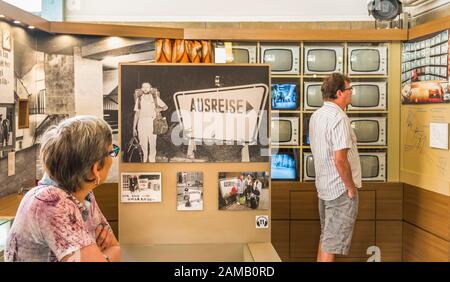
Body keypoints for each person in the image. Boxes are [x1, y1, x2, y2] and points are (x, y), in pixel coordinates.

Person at [4, 116, 121, 262]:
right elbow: (112, 252)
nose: (113, 156)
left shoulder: (84, 195)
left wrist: (103, 255)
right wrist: (104, 255)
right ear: (96, 169)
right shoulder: (52, 201)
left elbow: (116, 247)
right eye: (111, 152)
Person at [309, 73, 361, 262]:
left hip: (324, 187)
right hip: (340, 190)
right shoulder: (340, 118)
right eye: (349, 89)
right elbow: (340, 159)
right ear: (340, 93)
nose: (351, 93)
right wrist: (350, 187)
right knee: (331, 243)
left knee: (326, 238)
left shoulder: (316, 115)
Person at [132, 82, 168, 163]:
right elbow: (136, 114)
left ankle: (152, 161)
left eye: (147, 87)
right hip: (141, 122)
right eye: (143, 87)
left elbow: (165, 107)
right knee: (143, 144)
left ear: (150, 88)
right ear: (141, 88)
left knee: (152, 143)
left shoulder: (154, 98)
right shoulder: (139, 99)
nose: (145, 88)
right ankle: (144, 160)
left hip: (152, 122)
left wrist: (159, 109)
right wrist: (134, 128)